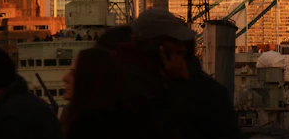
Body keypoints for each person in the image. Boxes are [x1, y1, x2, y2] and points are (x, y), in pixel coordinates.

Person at [117, 9, 242, 139]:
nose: (182, 48)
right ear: (154, 46)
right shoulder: (124, 87)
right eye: (175, 42)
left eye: (185, 44)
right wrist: (179, 86)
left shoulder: (205, 89)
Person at [60, 47, 142, 139]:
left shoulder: (88, 127)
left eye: (74, 74)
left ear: (92, 81)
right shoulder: (127, 120)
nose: (65, 78)